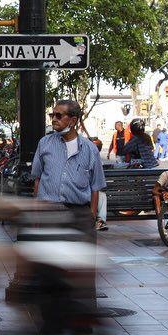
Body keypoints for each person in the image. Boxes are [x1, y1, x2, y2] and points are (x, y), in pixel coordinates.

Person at [32, 100, 107, 235]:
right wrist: (37, 214)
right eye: (52, 115)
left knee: (80, 256)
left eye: (59, 116)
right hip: (49, 213)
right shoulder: (44, 144)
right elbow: (38, 179)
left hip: (79, 215)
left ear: (72, 121)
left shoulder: (90, 149)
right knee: (49, 255)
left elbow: (95, 187)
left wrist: (91, 217)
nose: (54, 119)